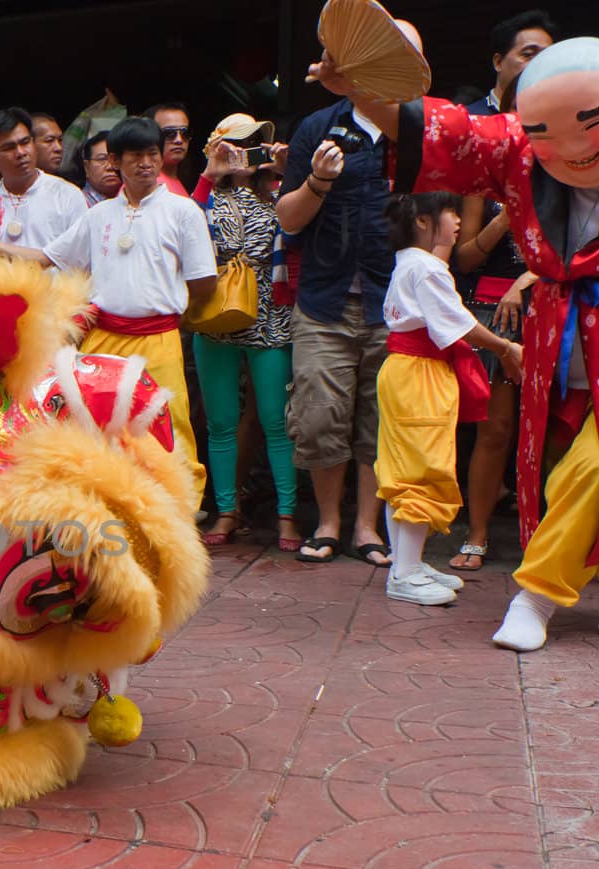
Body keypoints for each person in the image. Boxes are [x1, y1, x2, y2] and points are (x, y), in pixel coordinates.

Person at [314, 35, 599, 649]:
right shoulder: (517, 144)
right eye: (548, 134)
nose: (572, 150)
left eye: (593, 126)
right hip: (562, 330)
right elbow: (441, 131)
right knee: (576, 471)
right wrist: (357, 87)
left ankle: (536, 596)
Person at [25, 116, 216, 509]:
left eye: (152, 154)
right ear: (115, 161)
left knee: (170, 425)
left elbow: (204, 283)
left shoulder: (183, 212)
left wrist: (166, 307)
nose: (146, 163)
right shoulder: (96, 217)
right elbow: (45, 258)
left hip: (160, 338)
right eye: (135, 156)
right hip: (104, 339)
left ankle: (179, 513)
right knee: (97, 427)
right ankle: (107, 509)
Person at [275, 57, 396, 566]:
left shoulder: (412, 132)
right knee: (320, 415)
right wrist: (318, 182)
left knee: (379, 419)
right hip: (325, 300)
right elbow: (288, 217)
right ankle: (329, 522)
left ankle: (368, 527)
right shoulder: (318, 127)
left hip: (392, 301)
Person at [376, 192, 523, 605]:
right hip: (418, 371)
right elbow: (459, 326)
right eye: (450, 213)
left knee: (406, 466)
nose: (458, 221)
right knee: (419, 469)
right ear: (423, 221)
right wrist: (505, 347)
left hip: (412, 370)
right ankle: (403, 572)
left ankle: (409, 562)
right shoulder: (426, 268)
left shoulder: (413, 261)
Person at [448, 12, 555, 572]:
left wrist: (529, 275)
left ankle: (551, 540)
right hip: (490, 302)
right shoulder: (482, 154)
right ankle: (480, 531)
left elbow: (582, 240)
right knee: (497, 429)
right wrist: (506, 220)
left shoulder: (568, 153)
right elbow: (463, 256)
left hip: (554, 298)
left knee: (558, 427)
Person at [192, 114, 301, 552]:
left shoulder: (278, 192)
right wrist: (210, 176)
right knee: (220, 423)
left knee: (277, 420)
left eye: (255, 143)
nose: (248, 151)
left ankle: (288, 516)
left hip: (270, 314)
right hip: (214, 312)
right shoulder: (199, 196)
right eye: (237, 144)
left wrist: (286, 171)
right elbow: (180, 228)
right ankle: (226, 511)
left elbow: (300, 227)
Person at [0, 107, 86, 251]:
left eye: (25, 142)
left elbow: (80, 257)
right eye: (9, 147)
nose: (21, 152)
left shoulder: (67, 195)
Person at [140, 102, 193, 195]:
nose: (179, 140)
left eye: (185, 133)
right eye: (169, 133)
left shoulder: (176, 179)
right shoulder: (145, 184)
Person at [79, 132, 119, 206]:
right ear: (86, 167)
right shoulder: (77, 201)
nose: (110, 166)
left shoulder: (137, 200)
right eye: (102, 159)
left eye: (115, 159)